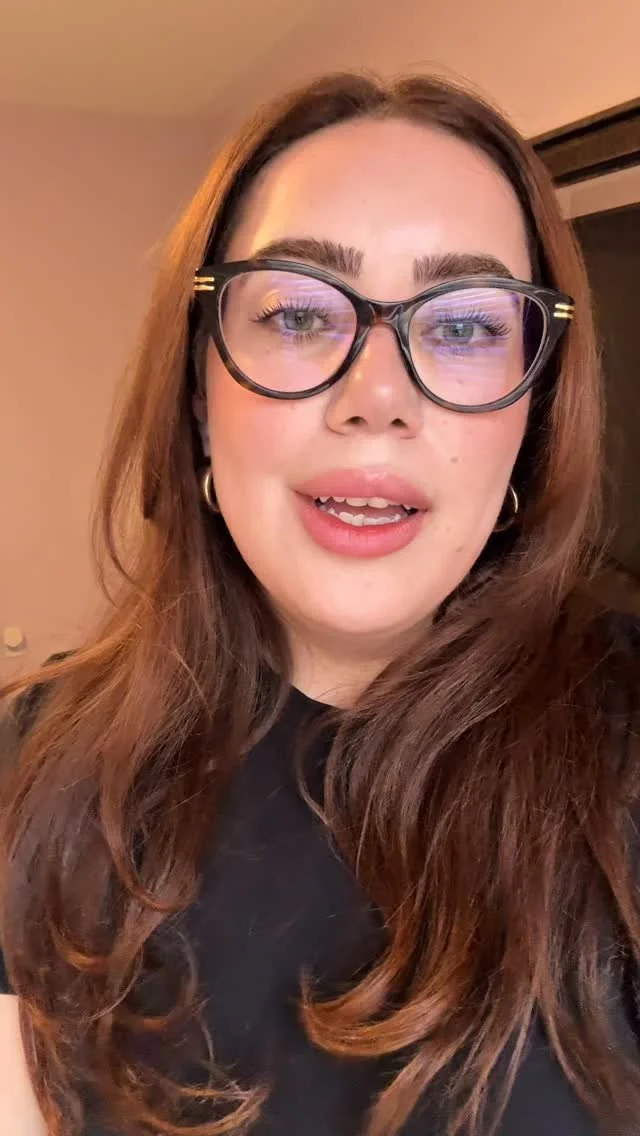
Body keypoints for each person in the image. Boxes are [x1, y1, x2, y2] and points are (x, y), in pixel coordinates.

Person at [1, 70, 639, 1136]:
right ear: (198, 388)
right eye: (299, 312)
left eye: (465, 327)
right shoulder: (31, 764)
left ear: (534, 408)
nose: (376, 396)